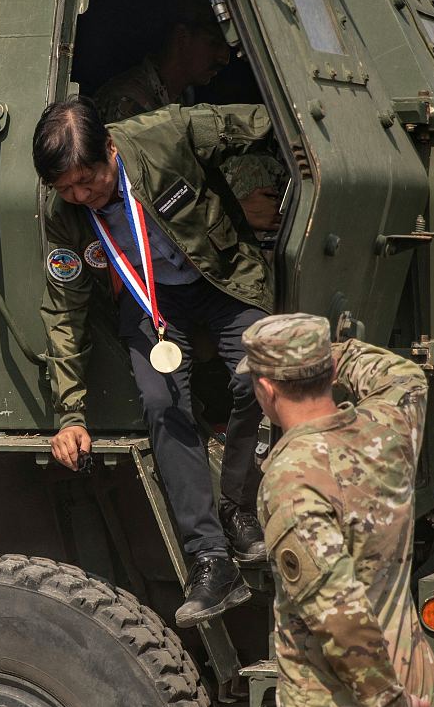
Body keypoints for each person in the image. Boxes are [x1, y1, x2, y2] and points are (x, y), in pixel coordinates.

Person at [35, 96, 270, 627]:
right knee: (162, 402)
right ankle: (210, 558)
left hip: (222, 279)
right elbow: (64, 308)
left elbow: (259, 122)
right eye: (64, 188)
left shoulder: (166, 136)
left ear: (111, 150)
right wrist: (69, 413)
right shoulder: (64, 215)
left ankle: (237, 504)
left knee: (256, 372)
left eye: (86, 181)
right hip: (150, 300)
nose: (79, 196)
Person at [239, 313, 434, 707]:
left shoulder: (291, 478)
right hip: (418, 693)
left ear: (266, 389)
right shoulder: (391, 428)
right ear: (328, 372)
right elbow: (406, 377)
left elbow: (341, 617)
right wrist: (335, 352)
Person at [93, 0, 284, 236]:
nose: (224, 58)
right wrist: (238, 212)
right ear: (182, 38)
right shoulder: (128, 103)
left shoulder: (182, 95)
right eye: (214, 43)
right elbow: (141, 200)